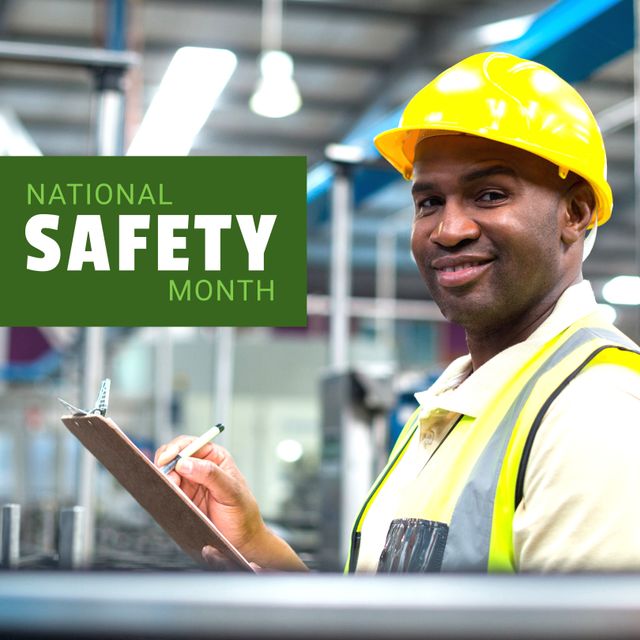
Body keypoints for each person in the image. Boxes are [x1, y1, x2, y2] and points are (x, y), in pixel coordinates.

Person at [155, 51, 640, 573]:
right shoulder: (448, 407)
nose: (449, 230)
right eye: (429, 202)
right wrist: (253, 544)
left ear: (576, 212)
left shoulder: (596, 412)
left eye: (491, 194)